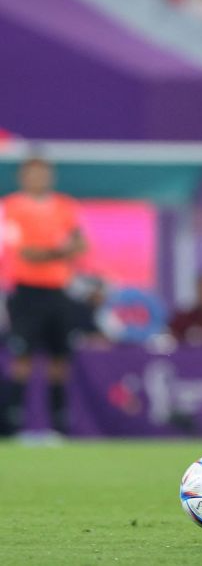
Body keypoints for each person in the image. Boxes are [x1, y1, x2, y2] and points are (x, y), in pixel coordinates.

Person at [1, 155, 87, 436]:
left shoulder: (64, 206)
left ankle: (60, 424)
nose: (37, 179)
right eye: (32, 174)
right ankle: (11, 423)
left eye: (42, 174)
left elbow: (80, 243)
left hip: (58, 292)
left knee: (60, 358)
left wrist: (59, 251)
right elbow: (25, 252)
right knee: (22, 357)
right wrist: (59, 251)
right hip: (26, 292)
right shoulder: (11, 207)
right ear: (23, 177)